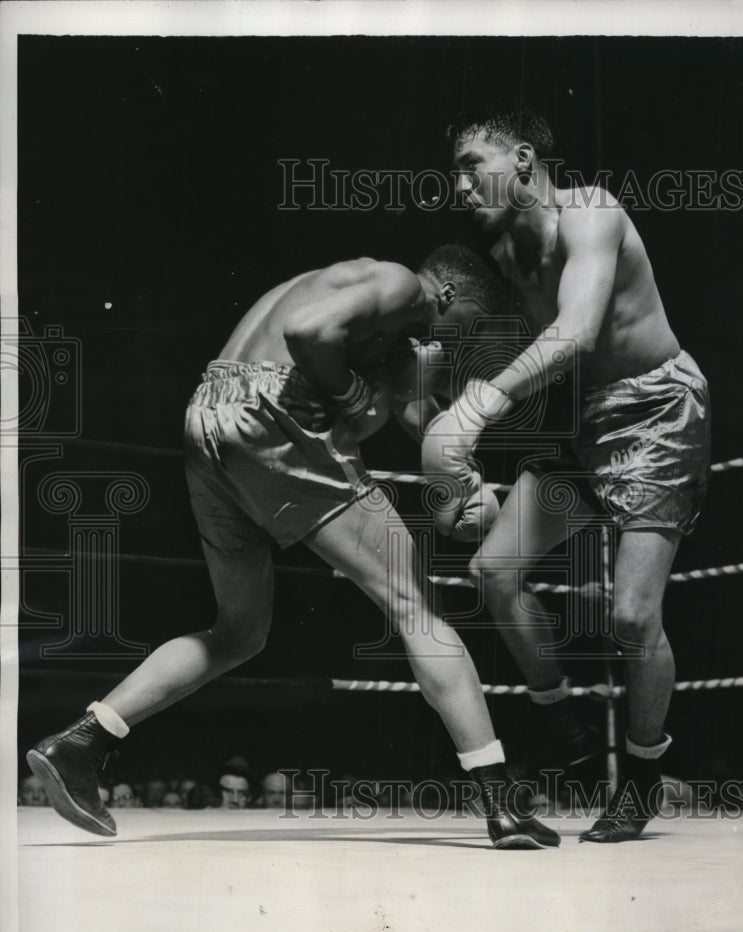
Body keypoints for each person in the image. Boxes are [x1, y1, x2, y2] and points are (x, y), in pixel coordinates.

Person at [26, 247, 559, 851]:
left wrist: (460, 485)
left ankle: (82, 742)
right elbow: (307, 334)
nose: (458, 342)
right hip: (273, 416)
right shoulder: (401, 284)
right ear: (448, 295)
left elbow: (417, 416)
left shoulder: (344, 299)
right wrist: (353, 397)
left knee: (239, 632)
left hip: (209, 418)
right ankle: (499, 801)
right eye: (470, 326)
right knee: (417, 608)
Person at [421, 104, 711, 843]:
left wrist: (477, 407)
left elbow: (575, 331)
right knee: (493, 572)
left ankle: (642, 774)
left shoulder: (591, 213)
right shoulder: (502, 256)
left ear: (523, 159)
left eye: (472, 166)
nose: (459, 186)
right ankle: (563, 724)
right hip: (580, 422)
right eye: (454, 173)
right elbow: (510, 353)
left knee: (631, 617)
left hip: (655, 411)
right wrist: (427, 392)